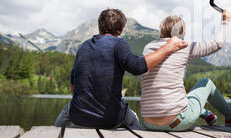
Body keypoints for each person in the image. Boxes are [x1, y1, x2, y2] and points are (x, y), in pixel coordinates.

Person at [54, 8, 187, 129]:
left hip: (79, 118)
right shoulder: (118, 44)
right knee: (133, 118)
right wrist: (168, 47)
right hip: (110, 119)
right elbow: (138, 67)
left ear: (99, 25)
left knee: (66, 112)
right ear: (122, 29)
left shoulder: (83, 47)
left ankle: (54, 136)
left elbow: (73, 86)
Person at [140, 10, 231, 132]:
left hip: (147, 123)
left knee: (180, 91)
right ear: (181, 32)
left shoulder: (147, 48)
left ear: (162, 30)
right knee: (206, 83)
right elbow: (218, 43)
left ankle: (206, 114)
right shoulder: (184, 47)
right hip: (176, 122)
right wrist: (225, 21)